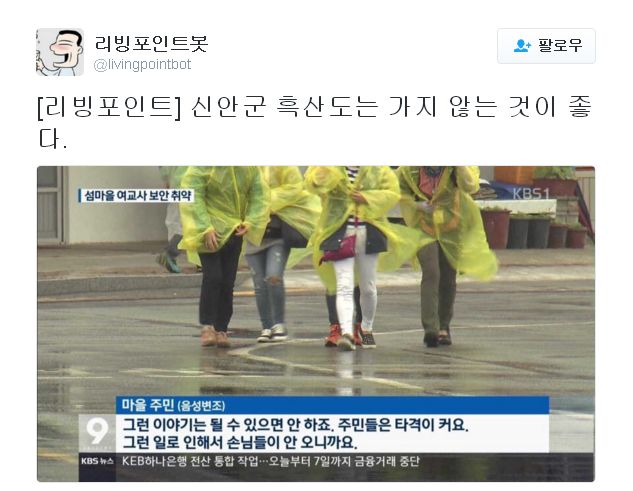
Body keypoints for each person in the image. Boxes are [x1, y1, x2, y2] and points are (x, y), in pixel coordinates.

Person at [305, 166, 424, 351]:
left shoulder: (377, 169)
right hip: (340, 233)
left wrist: (368, 197)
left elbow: (392, 193)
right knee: (344, 285)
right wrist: (320, 174)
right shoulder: (332, 167)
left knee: (367, 287)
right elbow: (313, 184)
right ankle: (346, 333)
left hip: (369, 233)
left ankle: (366, 328)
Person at [398, 166, 498, 347]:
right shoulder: (410, 169)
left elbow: (470, 186)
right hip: (424, 228)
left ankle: (444, 326)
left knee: (448, 276)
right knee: (431, 272)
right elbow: (396, 189)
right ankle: (431, 328)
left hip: (452, 227)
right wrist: (417, 205)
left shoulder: (455, 169)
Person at [179, 166, 270, 348]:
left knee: (228, 282)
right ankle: (207, 326)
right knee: (213, 277)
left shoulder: (248, 168)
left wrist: (250, 221)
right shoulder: (204, 166)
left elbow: (259, 194)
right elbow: (193, 193)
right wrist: (204, 227)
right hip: (210, 231)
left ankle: (222, 329)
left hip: (234, 231)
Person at [246, 167, 320, 343]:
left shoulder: (284, 165)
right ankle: (266, 326)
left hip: (277, 235)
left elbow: (294, 187)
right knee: (259, 284)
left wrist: (265, 200)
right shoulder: (245, 168)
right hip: (253, 235)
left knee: (274, 277)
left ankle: (279, 324)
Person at [156, 166, 187, 273]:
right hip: (189, 183)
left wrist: (166, 179)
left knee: (175, 222)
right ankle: (170, 254)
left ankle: (171, 257)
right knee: (187, 224)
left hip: (177, 183)